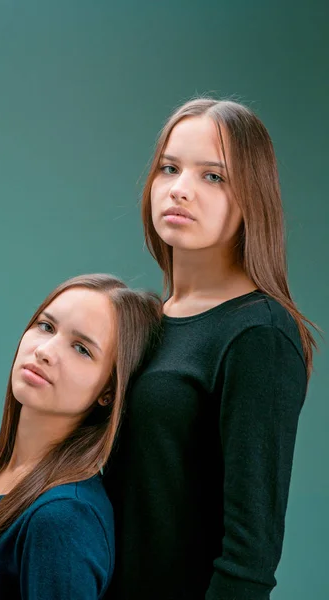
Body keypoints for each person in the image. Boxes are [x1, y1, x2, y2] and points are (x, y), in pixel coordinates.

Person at [104, 98, 318, 600]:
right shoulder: (147, 320)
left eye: (213, 177)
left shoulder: (259, 334)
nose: (180, 189)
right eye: (170, 168)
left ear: (252, 198)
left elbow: (249, 558)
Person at [0, 273, 162, 600]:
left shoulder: (64, 518)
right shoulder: (12, 477)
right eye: (46, 326)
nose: (46, 351)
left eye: (81, 349)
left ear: (108, 391)